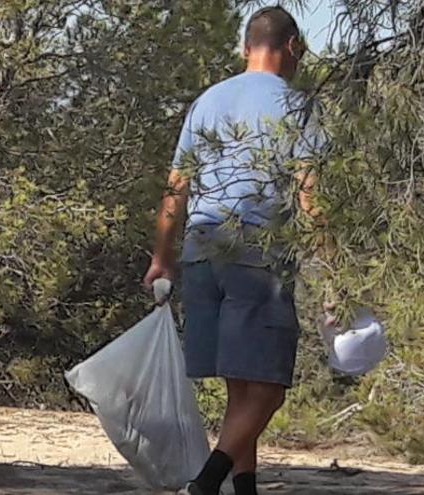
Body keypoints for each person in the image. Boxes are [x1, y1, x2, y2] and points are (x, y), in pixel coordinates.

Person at [143, 6, 326, 495]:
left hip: (202, 253)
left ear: (245, 48)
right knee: (268, 386)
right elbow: (309, 190)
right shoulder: (295, 104)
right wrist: (332, 260)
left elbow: (175, 186)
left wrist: (162, 257)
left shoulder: (206, 102)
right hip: (257, 256)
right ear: (292, 48)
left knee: (240, 384)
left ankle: (244, 488)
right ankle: (206, 483)